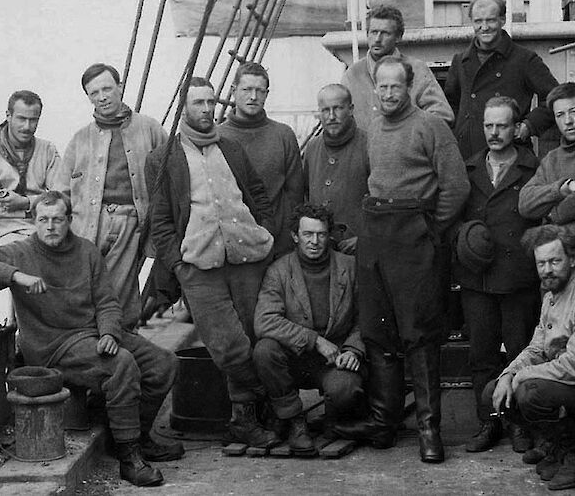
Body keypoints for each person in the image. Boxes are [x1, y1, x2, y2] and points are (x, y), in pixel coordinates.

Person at [0, 192, 181, 487]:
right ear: (34, 221)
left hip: (93, 334)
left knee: (164, 364)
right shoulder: (20, 252)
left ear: (69, 220)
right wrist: (15, 276)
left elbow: (107, 301)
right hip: (54, 345)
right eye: (43, 220)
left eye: (58, 219)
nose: (50, 227)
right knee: (121, 365)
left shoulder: (86, 251)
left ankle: (132, 436)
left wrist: (109, 331)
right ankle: (129, 457)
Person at [335, 56, 469, 463]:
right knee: (378, 333)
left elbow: (456, 187)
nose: (389, 93)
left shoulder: (431, 127)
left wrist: (429, 229)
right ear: (374, 89)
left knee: (420, 334)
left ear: (410, 87)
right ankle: (384, 423)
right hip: (377, 235)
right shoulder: (373, 127)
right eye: (382, 86)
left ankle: (429, 430)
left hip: (416, 237)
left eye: (396, 86)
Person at [150, 77, 279, 449]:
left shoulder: (232, 149)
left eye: (210, 102)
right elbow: (160, 222)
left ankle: (246, 420)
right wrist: (177, 265)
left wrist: (266, 233)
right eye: (198, 103)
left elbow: (256, 193)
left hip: (246, 258)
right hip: (198, 264)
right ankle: (273, 402)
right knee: (228, 346)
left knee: (255, 336)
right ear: (184, 107)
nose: (206, 110)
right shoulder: (163, 159)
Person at [453, 96, 540, 453]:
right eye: (488, 125)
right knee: (481, 355)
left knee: (519, 352)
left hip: (517, 279)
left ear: (515, 126)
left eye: (501, 125)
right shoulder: (469, 168)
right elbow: (453, 215)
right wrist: (465, 239)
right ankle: (487, 424)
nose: (493, 132)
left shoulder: (531, 169)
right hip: (478, 279)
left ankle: (519, 425)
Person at [54, 63, 168, 330]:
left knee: (120, 291)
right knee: (85, 287)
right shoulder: (80, 139)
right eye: (94, 93)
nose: (102, 97)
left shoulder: (149, 129)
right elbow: (61, 191)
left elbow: (171, 174)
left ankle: (121, 342)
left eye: (107, 88)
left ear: (120, 87)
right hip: (86, 225)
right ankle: (91, 344)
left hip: (130, 222)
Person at [253, 203, 365, 455]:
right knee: (264, 350)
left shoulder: (349, 266)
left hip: (333, 359)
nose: (314, 241)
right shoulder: (279, 271)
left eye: (321, 234)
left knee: (345, 391)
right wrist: (314, 340)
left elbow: (366, 316)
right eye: (307, 234)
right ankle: (294, 419)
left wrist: (353, 350)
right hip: (293, 358)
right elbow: (265, 320)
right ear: (295, 236)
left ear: (329, 236)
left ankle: (335, 419)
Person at [480, 225, 575, 491]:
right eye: (541, 263)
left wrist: (521, 377)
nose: (547, 270)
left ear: (572, 259)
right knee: (493, 393)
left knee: (530, 393)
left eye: (555, 261)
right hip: (563, 381)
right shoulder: (550, 296)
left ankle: (572, 454)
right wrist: (508, 375)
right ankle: (556, 447)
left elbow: (573, 365)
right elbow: (536, 349)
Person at [444, 0, 558, 160]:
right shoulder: (460, 61)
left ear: (502, 20)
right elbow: (450, 105)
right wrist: (459, 133)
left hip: (513, 154)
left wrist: (529, 125)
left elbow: (554, 98)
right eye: (478, 21)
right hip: (468, 155)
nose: (484, 27)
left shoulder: (524, 59)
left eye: (490, 20)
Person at [219, 62, 303, 257]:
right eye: (247, 89)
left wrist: (286, 238)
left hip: (278, 245)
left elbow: (295, 194)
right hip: (232, 246)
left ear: (267, 94)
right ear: (233, 91)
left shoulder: (283, 135)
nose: (253, 97)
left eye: (260, 91)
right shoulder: (218, 137)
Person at [341, 4, 453, 131]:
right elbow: (340, 119)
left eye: (385, 33)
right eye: (373, 32)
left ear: (398, 37)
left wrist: (408, 136)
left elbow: (442, 115)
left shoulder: (417, 70)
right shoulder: (352, 74)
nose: (377, 39)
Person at [0, 90, 60, 248]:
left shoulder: (47, 149)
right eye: (21, 119)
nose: (27, 127)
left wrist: (26, 203)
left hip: (44, 231)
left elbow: (62, 196)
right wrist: (34, 208)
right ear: (8, 115)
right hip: (2, 236)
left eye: (33, 120)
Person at [303, 84, 369, 255]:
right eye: (325, 110)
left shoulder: (369, 145)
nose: (331, 116)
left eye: (338, 108)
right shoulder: (312, 148)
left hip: (359, 252)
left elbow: (383, 201)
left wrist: (365, 238)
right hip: (320, 252)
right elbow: (305, 196)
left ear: (351, 109)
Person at [519, 82, 575, 233]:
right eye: (560, 115)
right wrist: (563, 189)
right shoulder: (552, 159)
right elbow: (525, 204)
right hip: (560, 252)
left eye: (573, 111)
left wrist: (553, 215)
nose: (568, 120)